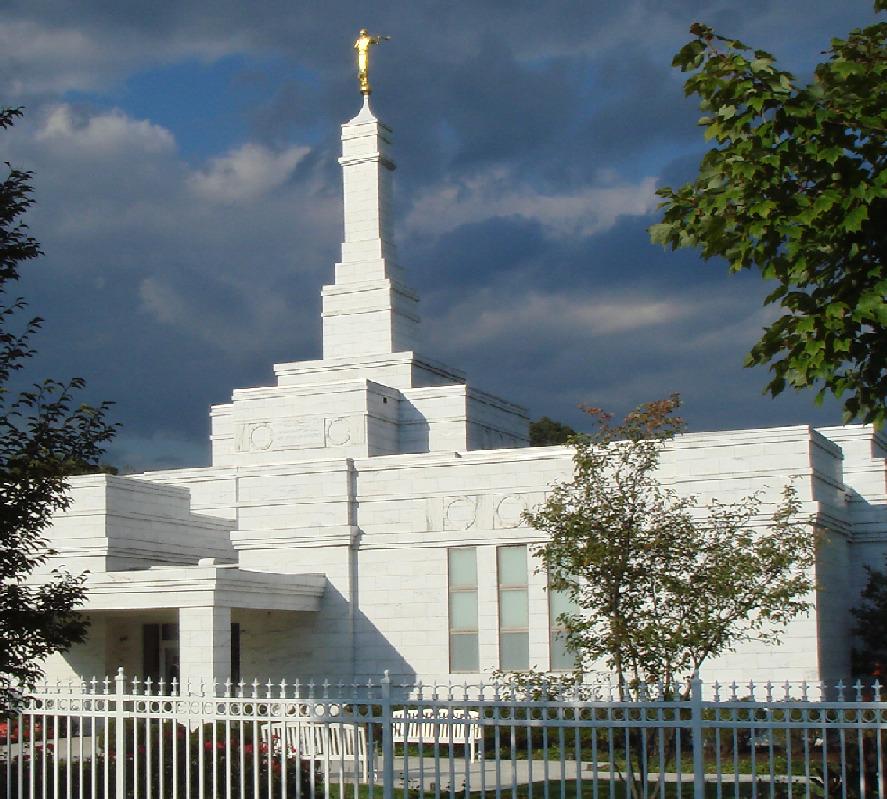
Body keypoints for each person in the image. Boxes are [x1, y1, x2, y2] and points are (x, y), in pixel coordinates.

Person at [354, 30, 390, 95]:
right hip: (361, 53)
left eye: (363, 34)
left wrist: (380, 38)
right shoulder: (359, 40)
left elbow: (375, 40)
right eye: (362, 34)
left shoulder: (367, 39)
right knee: (361, 66)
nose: (362, 35)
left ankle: (364, 79)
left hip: (364, 53)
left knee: (364, 67)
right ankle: (363, 79)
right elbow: (355, 46)